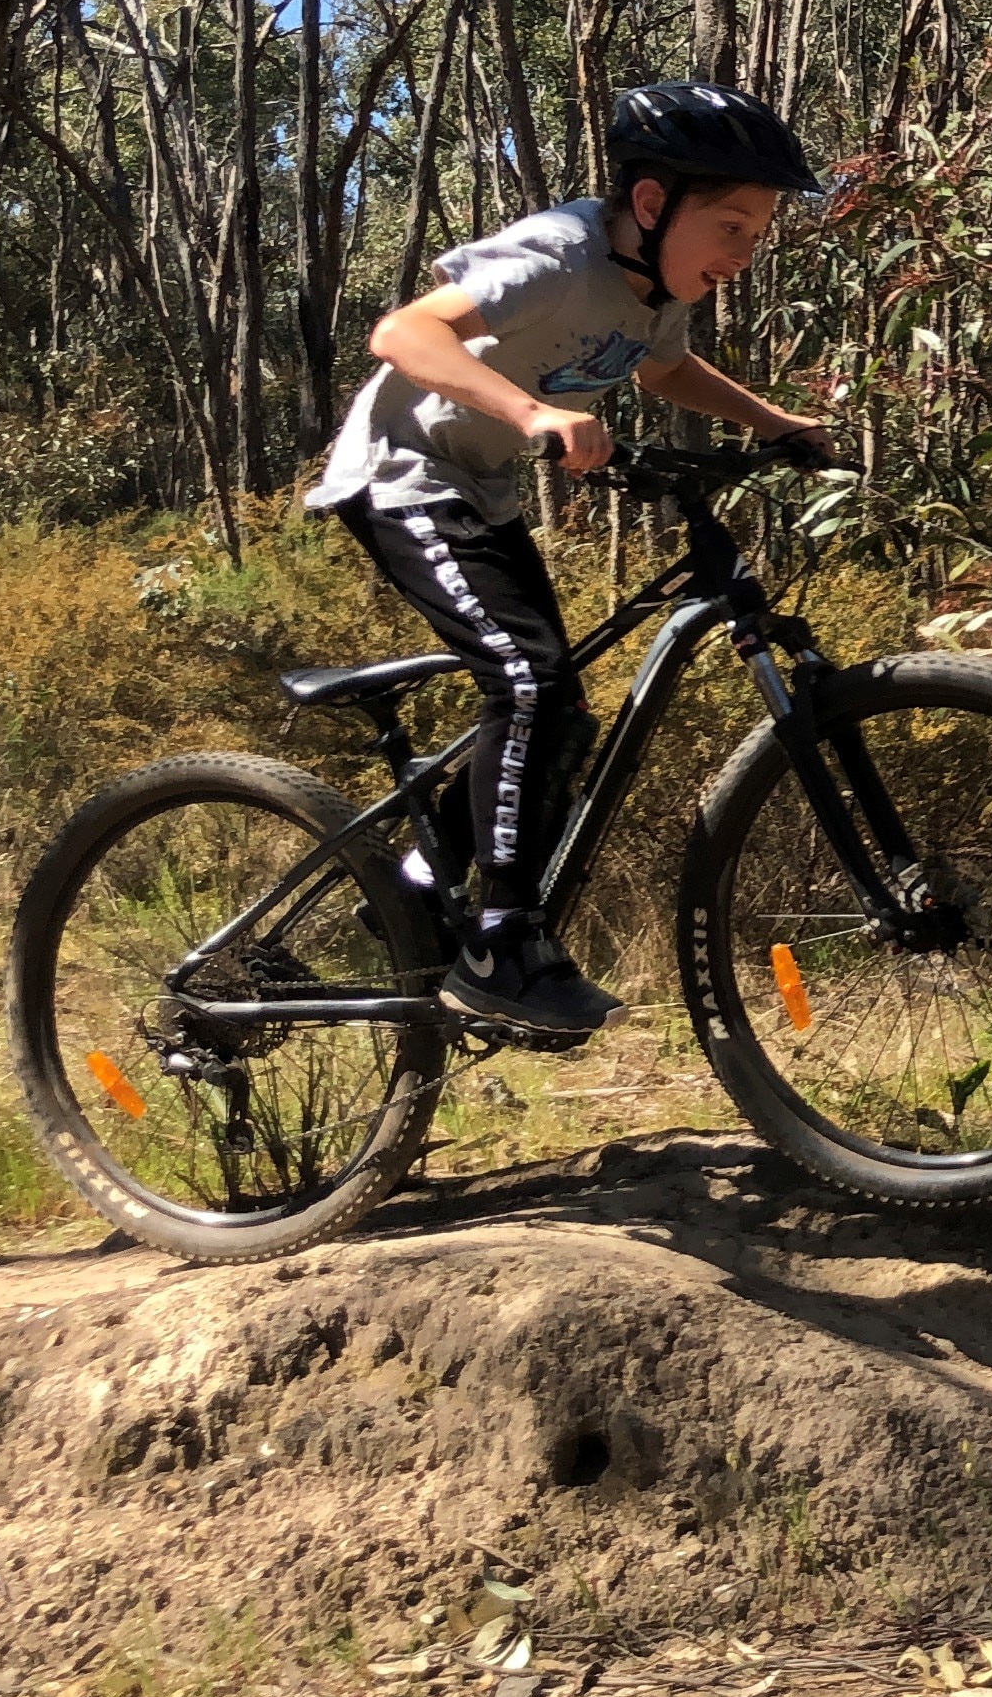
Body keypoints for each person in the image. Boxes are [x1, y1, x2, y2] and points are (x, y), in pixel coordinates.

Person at [307, 80, 833, 1042]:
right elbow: (403, 332)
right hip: (403, 477)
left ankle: (422, 884)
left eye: (754, 235)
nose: (740, 255)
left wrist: (772, 420)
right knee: (532, 685)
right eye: (729, 226)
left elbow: (664, 369)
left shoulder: (653, 290)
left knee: (560, 711)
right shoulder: (557, 252)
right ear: (649, 205)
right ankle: (503, 945)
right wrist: (533, 413)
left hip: (478, 488)